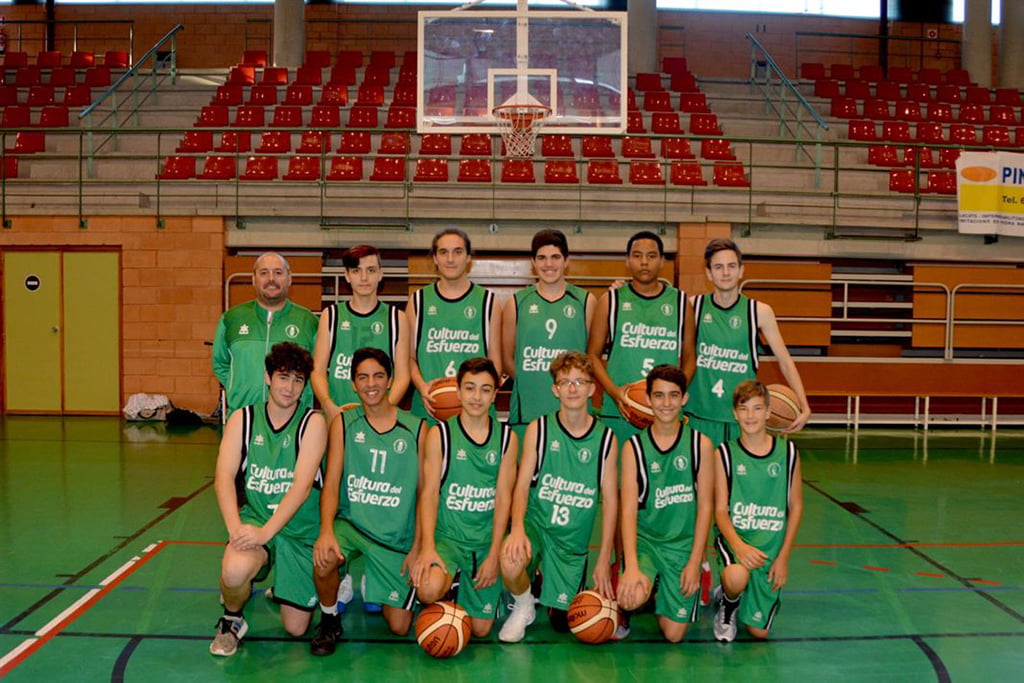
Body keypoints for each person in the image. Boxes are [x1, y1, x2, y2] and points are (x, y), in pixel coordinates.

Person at [210, 342, 327, 656]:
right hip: (257, 519)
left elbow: (301, 488)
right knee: (233, 569)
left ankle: (295, 581)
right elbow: (223, 479)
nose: (290, 388)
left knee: (296, 628)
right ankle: (231, 620)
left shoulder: (312, 423)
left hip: (299, 530)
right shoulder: (243, 419)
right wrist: (237, 529)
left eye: (298, 380)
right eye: (283, 377)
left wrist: (265, 534)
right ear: (268, 377)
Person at [310, 347, 427, 655]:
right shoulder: (343, 424)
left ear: (389, 380)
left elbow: (424, 495)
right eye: (362, 377)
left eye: (378, 376)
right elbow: (331, 483)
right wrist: (326, 530)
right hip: (352, 524)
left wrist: (418, 547)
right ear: (352, 383)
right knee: (323, 559)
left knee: (400, 626)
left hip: (394, 538)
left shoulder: (416, 429)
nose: (370, 384)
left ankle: (373, 580)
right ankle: (329, 618)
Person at [498, 351, 618, 643]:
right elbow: (522, 485)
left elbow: (612, 502)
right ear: (555, 390)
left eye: (580, 382)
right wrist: (516, 530)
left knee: (566, 623)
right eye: (565, 382)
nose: (573, 388)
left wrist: (603, 559)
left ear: (592, 388)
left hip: (571, 542)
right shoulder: (539, 430)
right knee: (511, 559)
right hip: (537, 527)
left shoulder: (605, 439)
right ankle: (524, 604)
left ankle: (542, 583)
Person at [411, 357, 519, 638]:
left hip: (484, 544)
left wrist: (494, 554)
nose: (477, 397)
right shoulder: (441, 435)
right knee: (427, 590)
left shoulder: (507, 439)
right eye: (470, 388)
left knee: (481, 631)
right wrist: (428, 547)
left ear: (495, 395)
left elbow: (504, 499)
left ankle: (461, 585)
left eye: (485, 389)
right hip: (449, 540)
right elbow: (429, 494)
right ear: (458, 391)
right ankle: (449, 581)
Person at [617, 364, 714, 643]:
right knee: (632, 595)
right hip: (647, 542)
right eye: (658, 395)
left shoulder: (701, 445)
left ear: (684, 398)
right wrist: (632, 564)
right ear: (647, 399)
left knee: (673, 635)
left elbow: (706, 507)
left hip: (682, 547)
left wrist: (696, 562)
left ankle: (659, 591)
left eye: (673, 395)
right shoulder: (633, 447)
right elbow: (627, 512)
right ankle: (639, 591)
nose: (666, 403)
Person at [686, 238, 811, 445]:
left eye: (731, 266)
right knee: (700, 478)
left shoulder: (759, 312)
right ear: (708, 273)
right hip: (699, 416)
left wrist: (805, 406)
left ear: (741, 270)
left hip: (742, 419)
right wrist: (620, 290)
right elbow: (657, 326)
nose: (725, 273)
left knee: (737, 478)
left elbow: (785, 361)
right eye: (718, 267)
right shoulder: (693, 306)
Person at [712, 380, 804, 643]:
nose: (750, 415)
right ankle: (729, 603)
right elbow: (720, 511)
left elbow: (796, 506)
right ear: (734, 413)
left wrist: (783, 557)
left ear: (768, 412)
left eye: (757, 408)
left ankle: (731, 591)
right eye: (744, 409)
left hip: (770, 549)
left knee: (759, 632)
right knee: (737, 575)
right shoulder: (725, 454)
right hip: (737, 541)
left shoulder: (788, 453)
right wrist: (739, 547)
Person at [587, 230, 695, 446]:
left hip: (664, 413)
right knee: (618, 478)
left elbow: (691, 358)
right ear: (627, 261)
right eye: (637, 256)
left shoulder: (681, 302)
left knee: (663, 478)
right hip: (620, 411)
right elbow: (592, 355)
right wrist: (615, 393)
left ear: (662, 261)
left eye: (651, 256)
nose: (644, 262)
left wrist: (673, 396)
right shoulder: (611, 301)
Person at [502, 229, 595, 440]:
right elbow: (508, 359)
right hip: (527, 411)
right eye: (542, 258)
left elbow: (591, 358)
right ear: (533, 262)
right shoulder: (516, 303)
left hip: (574, 411)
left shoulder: (585, 302)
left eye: (555, 257)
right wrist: (531, 380)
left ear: (566, 260)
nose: (549, 264)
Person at [407, 228, 502, 422]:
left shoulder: (487, 301)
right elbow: (407, 359)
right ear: (434, 258)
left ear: (468, 258)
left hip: (475, 410)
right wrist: (422, 387)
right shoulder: (418, 301)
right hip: (429, 407)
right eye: (443, 252)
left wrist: (479, 394)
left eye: (458, 252)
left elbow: (496, 364)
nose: (450, 259)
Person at [312, 244, 410, 425]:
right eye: (357, 271)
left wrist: (381, 410)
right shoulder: (331, 316)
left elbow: (403, 376)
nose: (364, 278)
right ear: (347, 276)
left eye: (371, 270)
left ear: (381, 274)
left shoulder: (397, 319)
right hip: (338, 417)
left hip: (381, 422)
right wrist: (328, 405)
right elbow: (318, 371)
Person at [213, 252, 318, 418]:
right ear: (254, 279)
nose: (271, 279)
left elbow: (317, 371)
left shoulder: (309, 321)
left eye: (278, 272)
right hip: (242, 417)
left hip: (294, 421)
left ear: (289, 278)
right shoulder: (231, 318)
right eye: (264, 273)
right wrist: (239, 389)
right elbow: (220, 363)